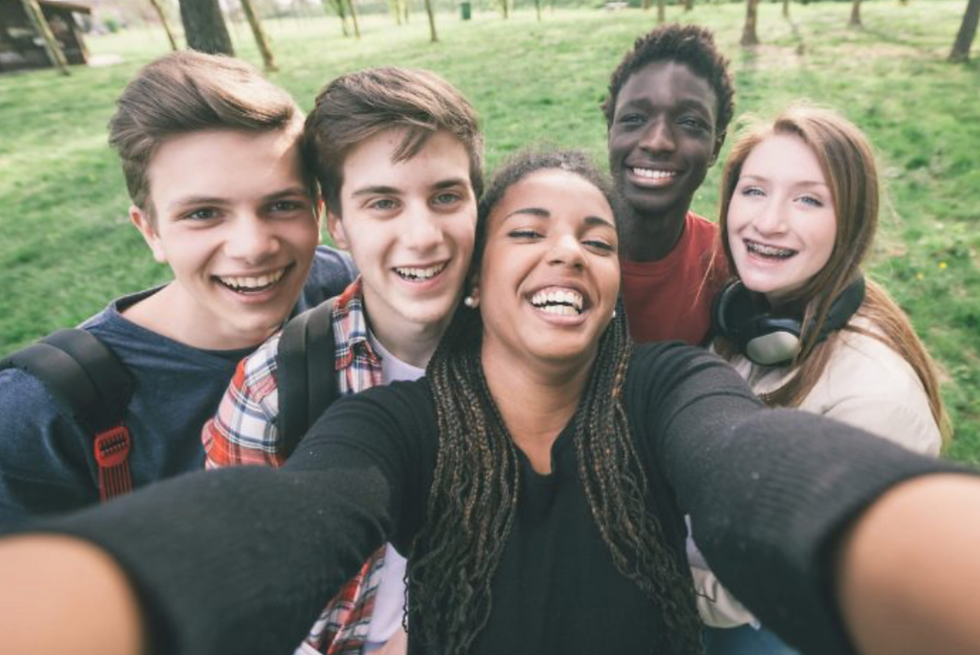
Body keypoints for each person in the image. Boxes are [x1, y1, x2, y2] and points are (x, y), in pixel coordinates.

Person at [0, 150, 976, 655]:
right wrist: (92, 602)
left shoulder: (663, 385)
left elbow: (752, 466)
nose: (568, 251)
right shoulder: (394, 422)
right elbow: (294, 513)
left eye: (595, 239)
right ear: (472, 280)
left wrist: (913, 542)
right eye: (531, 230)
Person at [0, 51, 355, 523]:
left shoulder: (343, 286)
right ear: (149, 230)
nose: (252, 247)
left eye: (281, 205)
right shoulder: (38, 415)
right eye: (203, 214)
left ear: (315, 208)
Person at [202, 67, 483, 655]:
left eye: (446, 196)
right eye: (383, 202)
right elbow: (239, 603)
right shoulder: (273, 391)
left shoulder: (526, 350)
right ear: (338, 224)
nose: (424, 234)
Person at [692, 106, 953, 654]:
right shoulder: (746, 320)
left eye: (809, 199)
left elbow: (751, 588)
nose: (768, 222)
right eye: (754, 190)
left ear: (850, 224)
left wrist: (623, 567)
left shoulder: (876, 398)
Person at [603, 23, 734, 344]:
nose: (657, 142)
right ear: (610, 132)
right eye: (634, 118)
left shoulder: (726, 265)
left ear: (716, 146)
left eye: (689, 122)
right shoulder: (555, 249)